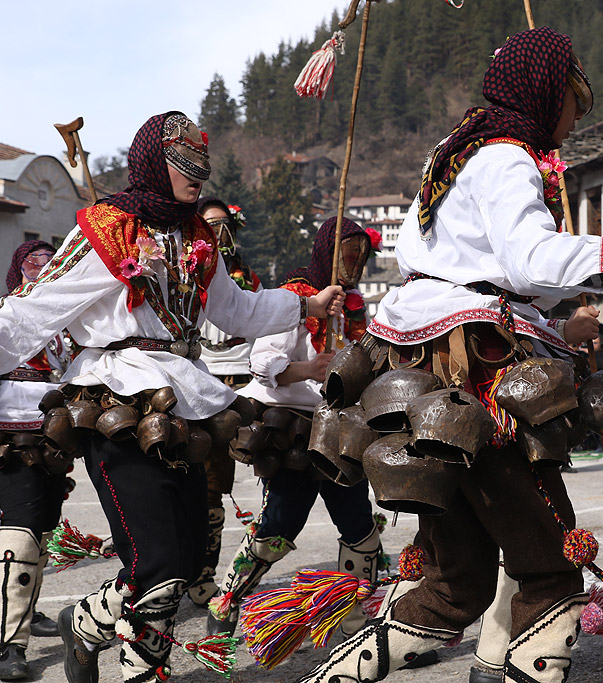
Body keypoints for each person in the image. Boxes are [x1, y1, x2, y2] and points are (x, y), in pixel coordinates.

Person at [296, 26, 603, 683]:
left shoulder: (456, 150)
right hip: (478, 371)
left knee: (454, 581)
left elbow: (499, 268)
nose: (577, 113)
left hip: (422, 366)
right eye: (573, 95)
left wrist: (553, 311)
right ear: (546, 91)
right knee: (550, 569)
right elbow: (529, 261)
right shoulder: (505, 156)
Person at [0, 111, 346, 683]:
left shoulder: (197, 239)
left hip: (181, 399)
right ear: (153, 166)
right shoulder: (107, 232)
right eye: (183, 164)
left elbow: (236, 310)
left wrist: (303, 305)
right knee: (158, 569)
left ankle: (85, 623)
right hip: (116, 397)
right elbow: (30, 312)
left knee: (183, 563)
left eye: (201, 167)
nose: (197, 176)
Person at [205, 217, 381, 643]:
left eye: (361, 252)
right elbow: (263, 366)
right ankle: (226, 601)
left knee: (360, 529)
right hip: (295, 432)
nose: (354, 261)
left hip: (341, 432)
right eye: (347, 251)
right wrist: (311, 367)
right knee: (278, 526)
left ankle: (359, 621)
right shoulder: (296, 298)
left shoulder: (356, 307)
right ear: (327, 251)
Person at [0, 242, 73, 680]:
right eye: (35, 262)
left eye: (51, 263)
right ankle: (9, 644)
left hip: (54, 430)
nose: (43, 269)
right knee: (21, 536)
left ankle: (23, 610)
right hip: (11, 430)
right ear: (19, 268)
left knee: (43, 530)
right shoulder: (6, 311)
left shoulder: (64, 322)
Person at [186, 197, 261, 607]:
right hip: (191, 383)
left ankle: (204, 575)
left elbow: (260, 325)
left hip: (237, 389)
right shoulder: (184, 272)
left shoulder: (247, 279)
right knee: (183, 480)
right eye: (209, 225)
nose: (218, 233)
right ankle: (177, 565)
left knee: (216, 482)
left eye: (223, 224)